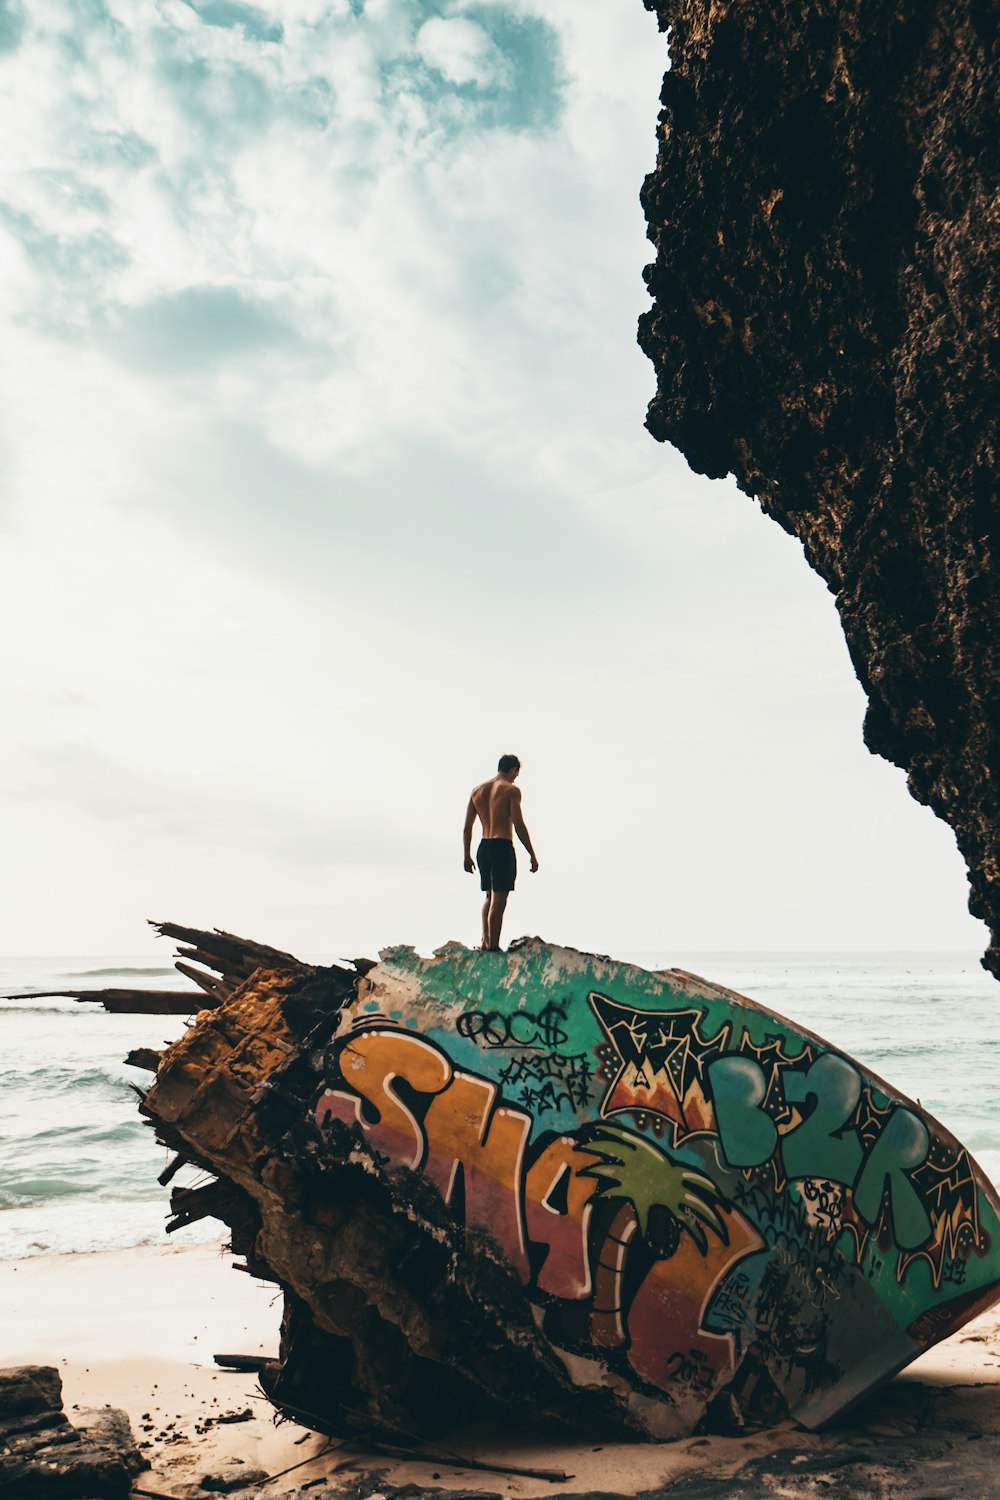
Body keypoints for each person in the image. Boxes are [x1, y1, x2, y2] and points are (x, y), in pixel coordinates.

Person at [463, 754, 539, 951]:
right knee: (499, 899)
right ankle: (494, 947)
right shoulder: (511, 790)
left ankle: (485, 943)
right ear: (513, 770)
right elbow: (518, 824)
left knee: (489, 897)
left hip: (483, 847)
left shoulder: (477, 791)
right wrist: (532, 853)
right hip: (501, 846)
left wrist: (466, 855)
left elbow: (467, 828)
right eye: (516, 774)